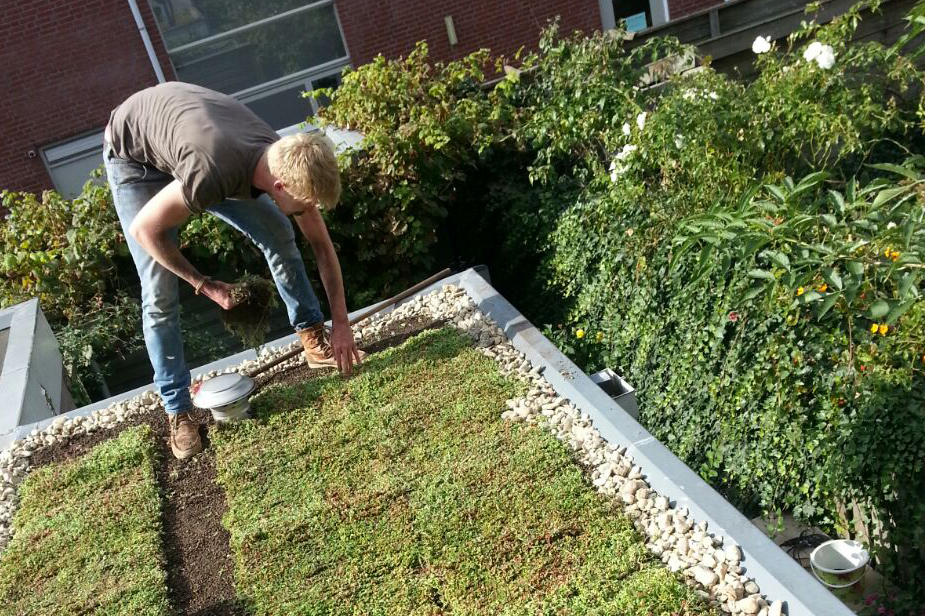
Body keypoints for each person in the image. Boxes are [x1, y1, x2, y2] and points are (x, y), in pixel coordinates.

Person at [104, 81, 363, 460]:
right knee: (159, 289)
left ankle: (311, 335)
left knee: (279, 230)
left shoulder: (286, 154)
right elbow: (146, 230)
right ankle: (178, 410)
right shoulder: (210, 174)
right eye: (306, 204)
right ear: (279, 185)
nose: (310, 211)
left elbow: (322, 246)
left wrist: (340, 323)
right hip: (135, 155)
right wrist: (205, 285)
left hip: (195, 140)